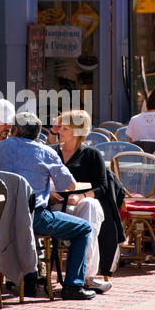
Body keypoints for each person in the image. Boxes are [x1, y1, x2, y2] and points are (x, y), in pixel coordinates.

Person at [0, 111, 96, 301]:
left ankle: (30, 279)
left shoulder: (1, 147)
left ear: (15, 130)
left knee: (26, 224)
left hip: (2, 217)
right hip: (34, 218)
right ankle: (73, 286)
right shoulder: (45, 152)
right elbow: (69, 186)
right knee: (83, 228)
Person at [48, 110, 111, 293]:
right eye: (60, 126)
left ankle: (86, 276)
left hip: (81, 204)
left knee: (91, 207)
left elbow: (103, 187)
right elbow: (41, 182)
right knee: (89, 213)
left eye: (65, 128)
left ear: (77, 131)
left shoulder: (91, 154)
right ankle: (84, 278)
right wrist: (50, 194)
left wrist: (81, 197)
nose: (59, 130)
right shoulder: (52, 153)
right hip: (57, 205)